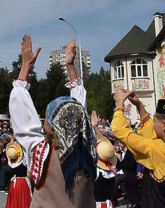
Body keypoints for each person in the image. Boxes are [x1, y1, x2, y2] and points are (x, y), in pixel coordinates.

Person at [9, 36, 96, 207]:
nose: (44, 123)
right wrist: (70, 66)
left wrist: (26, 65)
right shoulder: (89, 151)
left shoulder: (42, 153)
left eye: (47, 118)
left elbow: (20, 107)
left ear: (54, 125)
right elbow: (78, 112)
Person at [111, 91, 165, 208]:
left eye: (155, 121)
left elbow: (119, 130)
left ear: (164, 125)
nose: (153, 124)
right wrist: (139, 106)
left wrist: (119, 103)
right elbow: (150, 133)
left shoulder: (159, 149)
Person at [4, 141, 31, 208]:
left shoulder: (10, 163)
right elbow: (27, 152)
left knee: (14, 199)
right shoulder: (23, 161)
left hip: (14, 183)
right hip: (22, 182)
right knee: (23, 199)